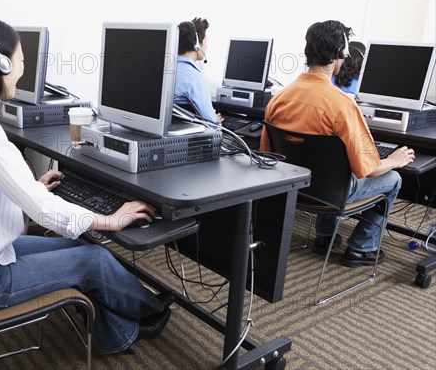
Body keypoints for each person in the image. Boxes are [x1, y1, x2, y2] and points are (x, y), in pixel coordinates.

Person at [0, 15, 172, 354]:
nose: (23, 70)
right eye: (21, 61)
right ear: (1, 64)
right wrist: (110, 220)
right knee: (93, 260)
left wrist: (30, 184)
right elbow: (43, 210)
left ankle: (118, 333)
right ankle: (155, 314)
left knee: (84, 250)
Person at [260, 20, 415, 267]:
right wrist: (393, 160)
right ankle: (362, 248)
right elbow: (368, 169)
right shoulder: (342, 105)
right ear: (338, 55)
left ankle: (324, 237)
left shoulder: (278, 99)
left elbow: (267, 155)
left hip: (294, 189)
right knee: (394, 179)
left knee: (328, 168)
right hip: (330, 194)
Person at [174, 17, 223, 125]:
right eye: (205, 41)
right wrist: (216, 120)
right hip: (189, 137)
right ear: (196, 45)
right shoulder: (194, 78)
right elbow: (211, 123)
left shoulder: (167, 69)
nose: (206, 46)